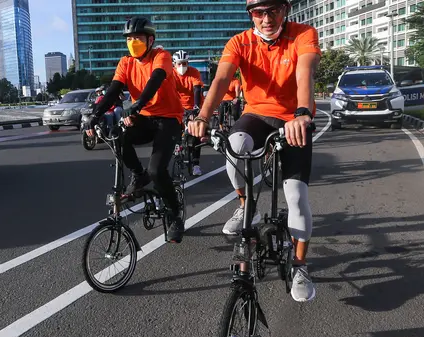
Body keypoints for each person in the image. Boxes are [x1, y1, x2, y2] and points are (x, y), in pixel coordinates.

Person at [188, 0, 321, 302]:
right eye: (258, 12)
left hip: (294, 120)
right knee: (234, 145)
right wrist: (202, 117)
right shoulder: (240, 42)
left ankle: (300, 265)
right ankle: (245, 204)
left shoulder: (303, 34)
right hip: (257, 115)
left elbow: (305, 74)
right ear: (251, 15)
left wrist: (302, 114)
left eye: (272, 10)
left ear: (285, 10)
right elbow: (221, 79)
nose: (266, 18)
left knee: (297, 198)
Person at [85, 16, 186, 243]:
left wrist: (138, 104)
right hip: (144, 118)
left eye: (137, 38)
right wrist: (95, 115)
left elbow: (155, 80)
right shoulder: (126, 62)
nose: (132, 43)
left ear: (150, 40)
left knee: (157, 171)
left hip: (169, 119)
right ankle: (138, 175)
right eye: (129, 39)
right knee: (117, 136)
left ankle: (175, 215)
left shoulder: (162, 56)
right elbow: (114, 90)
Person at [172, 50, 205, 176]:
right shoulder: (171, 74)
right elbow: (171, 92)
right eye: (179, 64)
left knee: (196, 133)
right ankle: (176, 146)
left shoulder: (194, 72)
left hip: (193, 105)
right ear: (174, 64)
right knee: (171, 126)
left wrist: (196, 107)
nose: (182, 67)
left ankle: (196, 164)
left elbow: (197, 90)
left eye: (184, 63)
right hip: (178, 106)